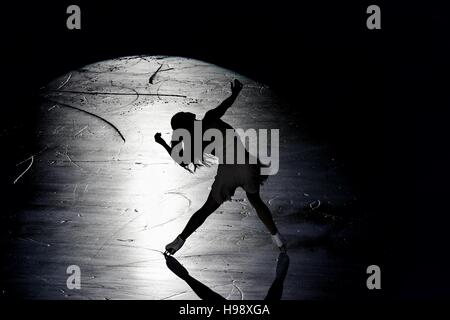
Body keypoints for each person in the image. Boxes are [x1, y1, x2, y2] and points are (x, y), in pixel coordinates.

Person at [154, 79, 285, 255]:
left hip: (227, 173)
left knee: (206, 209)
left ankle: (179, 241)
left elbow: (182, 160)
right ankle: (277, 240)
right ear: (187, 119)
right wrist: (235, 93)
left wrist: (163, 142)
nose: (187, 111)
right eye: (184, 113)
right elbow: (225, 106)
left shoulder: (195, 143)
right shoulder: (209, 118)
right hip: (246, 164)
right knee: (255, 201)